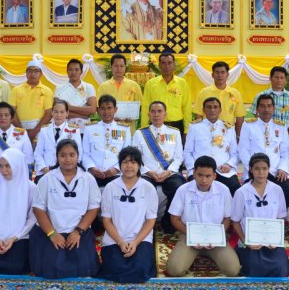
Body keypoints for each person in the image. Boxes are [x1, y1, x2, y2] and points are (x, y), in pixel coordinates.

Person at [30, 139, 101, 279]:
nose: (67, 159)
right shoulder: (47, 179)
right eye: (63, 155)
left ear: (77, 156)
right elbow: (38, 209)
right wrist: (52, 234)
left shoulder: (88, 179)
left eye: (71, 155)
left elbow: (93, 208)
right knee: (51, 267)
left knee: (84, 268)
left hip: (79, 230)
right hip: (52, 231)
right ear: (57, 157)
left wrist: (78, 231)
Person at [166, 155, 240, 277]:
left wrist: (218, 236)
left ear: (214, 176)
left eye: (208, 176)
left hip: (215, 238)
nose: (204, 180)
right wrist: (191, 234)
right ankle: (194, 252)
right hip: (189, 236)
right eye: (200, 175)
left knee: (233, 270)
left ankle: (207, 252)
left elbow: (227, 218)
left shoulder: (224, 190)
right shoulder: (183, 190)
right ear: (194, 173)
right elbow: (174, 218)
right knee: (174, 270)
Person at [97, 147, 157, 283]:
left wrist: (135, 242)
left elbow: (150, 221)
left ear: (140, 165)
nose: (129, 166)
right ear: (119, 165)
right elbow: (106, 220)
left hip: (140, 239)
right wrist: (120, 241)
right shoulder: (110, 187)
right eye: (125, 162)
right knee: (114, 268)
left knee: (141, 269)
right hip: (115, 239)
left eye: (133, 162)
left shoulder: (148, 188)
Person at [231, 153, 289, 277]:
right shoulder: (241, 192)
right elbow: (235, 221)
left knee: (280, 269)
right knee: (256, 269)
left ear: (269, 169)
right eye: (257, 169)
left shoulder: (277, 189)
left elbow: (280, 218)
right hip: (250, 241)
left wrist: (277, 239)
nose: (261, 172)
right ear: (251, 170)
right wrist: (245, 241)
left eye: (264, 168)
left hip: (271, 241)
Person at [0, 148, 36, 275]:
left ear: (18, 165)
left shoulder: (31, 188)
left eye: (8, 166)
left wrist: (14, 237)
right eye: (1, 166)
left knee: (16, 269)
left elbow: (32, 218)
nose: (3, 170)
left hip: (20, 237)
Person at [132, 101, 185, 233]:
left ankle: (168, 222)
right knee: (141, 189)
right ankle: (142, 223)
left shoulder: (174, 132)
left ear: (165, 114)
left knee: (178, 188)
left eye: (159, 111)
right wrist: (148, 172)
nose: (156, 115)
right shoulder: (140, 133)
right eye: (153, 112)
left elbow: (179, 157)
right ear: (148, 114)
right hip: (147, 173)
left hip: (169, 173)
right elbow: (135, 158)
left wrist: (169, 171)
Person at [238, 94, 289, 208]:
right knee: (250, 194)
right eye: (262, 106)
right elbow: (243, 151)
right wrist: (253, 169)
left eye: (269, 106)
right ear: (257, 109)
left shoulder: (280, 127)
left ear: (273, 108)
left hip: (276, 172)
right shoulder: (248, 125)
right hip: (254, 172)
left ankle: (273, 212)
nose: (266, 109)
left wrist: (283, 169)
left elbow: (285, 153)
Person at [184, 97, 240, 196]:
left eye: (215, 107)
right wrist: (193, 169)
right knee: (193, 192)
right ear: (203, 110)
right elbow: (187, 152)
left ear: (220, 110)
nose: (212, 110)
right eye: (209, 107)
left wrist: (229, 164)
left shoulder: (229, 128)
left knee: (235, 188)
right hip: (200, 171)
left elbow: (235, 153)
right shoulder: (195, 127)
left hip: (223, 171)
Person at [82, 94, 132, 187]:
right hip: (93, 174)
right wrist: (91, 168)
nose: (106, 112)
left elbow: (127, 154)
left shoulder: (124, 129)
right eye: (103, 108)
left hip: (116, 175)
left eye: (109, 108)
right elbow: (85, 153)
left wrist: (116, 169)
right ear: (98, 110)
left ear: (115, 109)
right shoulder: (90, 128)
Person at [0, 102, 34, 186]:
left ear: (11, 118)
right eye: (0, 115)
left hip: (14, 172)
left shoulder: (22, 133)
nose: (3, 118)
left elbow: (28, 157)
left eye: (6, 115)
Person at [141, 53, 192, 135]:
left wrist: (187, 130)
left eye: (169, 63)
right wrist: (144, 128)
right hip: (155, 125)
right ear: (159, 65)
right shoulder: (151, 84)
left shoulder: (182, 83)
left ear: (174, 64)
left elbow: (187, 107)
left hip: (177, 125)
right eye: (163, 63)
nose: (166, 66)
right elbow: (146, 107)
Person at [34, 98, 82, 183]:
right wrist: (44, 169)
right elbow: (38, 153)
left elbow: (79, 153)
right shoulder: (44, 130)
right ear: (52, 113)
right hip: (45, 171)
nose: (58, 115)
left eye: (62, 112)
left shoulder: (74, 130)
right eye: (55, 112)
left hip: (66, 172)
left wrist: (68, 169)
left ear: (67, 113)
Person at [194, 61, 246, 137]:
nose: (220, 75)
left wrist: (237, 135)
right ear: (212, 75)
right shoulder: (204, 93)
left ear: (227, 75)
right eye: (217, 72)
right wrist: (200, 132)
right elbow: (198, 115)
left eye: (222, 72)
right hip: (208, 133)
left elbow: (240, 116)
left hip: (228, 133)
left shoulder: (235, 93)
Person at [250, 66, 289, 138]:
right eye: (276, 77)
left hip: (285, 136)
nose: (279, 80)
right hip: (265, 136)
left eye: (282, 78)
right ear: (270, 78)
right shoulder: (260, 96)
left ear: (285, 80)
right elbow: (256, 116)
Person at [97, 54, 143, 133]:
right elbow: (98, 108)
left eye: (121, 66)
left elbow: (140, 106)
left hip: (128, 128)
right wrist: (109, 116)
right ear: (111, 67)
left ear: (125, 67)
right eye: (116, 66)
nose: (119, 69)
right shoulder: (103, 86)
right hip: (108, 128)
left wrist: (132, 115)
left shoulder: (134, 85)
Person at [9, 60, 53, 141]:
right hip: (19, 132)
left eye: (36, 71)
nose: (33, 74)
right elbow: (11, 112)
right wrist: (22, 131)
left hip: (39, 134)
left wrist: (34, 132)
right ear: (26, 73)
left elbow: (49, 114)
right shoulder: (16, 90)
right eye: (30, 71)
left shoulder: (47, 91)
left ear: (41, 74)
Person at [55, 59, 96, 134]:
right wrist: (83, 115)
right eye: (70, 70)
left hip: (84, 128)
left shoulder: (88, 87)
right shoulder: (59, 88)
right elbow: (58, 112)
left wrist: (70, 107)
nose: (73, 72)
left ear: (81, 71)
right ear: (67, 71)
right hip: (64, 127)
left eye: (76, 70)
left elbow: (92, 110)